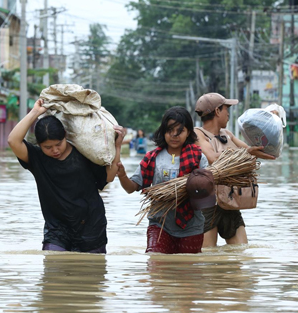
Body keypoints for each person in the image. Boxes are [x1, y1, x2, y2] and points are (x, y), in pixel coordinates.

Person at [8, 99, 126, 253]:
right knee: (53, 271)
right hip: (57, 229)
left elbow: (109, 177)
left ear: (65, 136)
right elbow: (13, 141)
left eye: (59, 144)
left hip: (91, 227)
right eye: (48, 147)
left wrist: (117, 146)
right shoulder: (37, 158)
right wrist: (35, 112)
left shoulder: (85, 153)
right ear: (39, 145)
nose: (55, 150)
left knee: (92, 275)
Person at [117, 107, 208, 254]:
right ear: (163, 131)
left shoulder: (198, 157)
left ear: (189, 132)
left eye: (180, 131)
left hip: (191, 226)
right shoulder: (152, 158)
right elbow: (131, 187)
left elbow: (206, 192)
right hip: (159, 224)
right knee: (155, 263)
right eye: (170, 130)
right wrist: (122, 175)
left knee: (189, 274)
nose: (174, 135)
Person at [193, 93, 275, 248]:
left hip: (229, 201)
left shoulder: (227, 135)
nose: (228, 113)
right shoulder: (198, 134)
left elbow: (252, 152)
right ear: (217, 111)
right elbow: (212, 158)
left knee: (241, 252)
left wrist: (269, 141)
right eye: (226, 109)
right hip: (206, 205)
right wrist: (246, 153)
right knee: (207, 260)